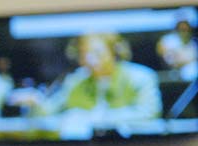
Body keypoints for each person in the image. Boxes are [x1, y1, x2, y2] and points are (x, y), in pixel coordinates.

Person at [34, 33, 162, 121]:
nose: (90, 59)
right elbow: (49, 111)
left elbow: (150, 114)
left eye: (97, 53)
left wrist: (97, 117)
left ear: (114, 52)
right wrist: (36, 102)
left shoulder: (141, 76)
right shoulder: (77, 80)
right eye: (84, 54)